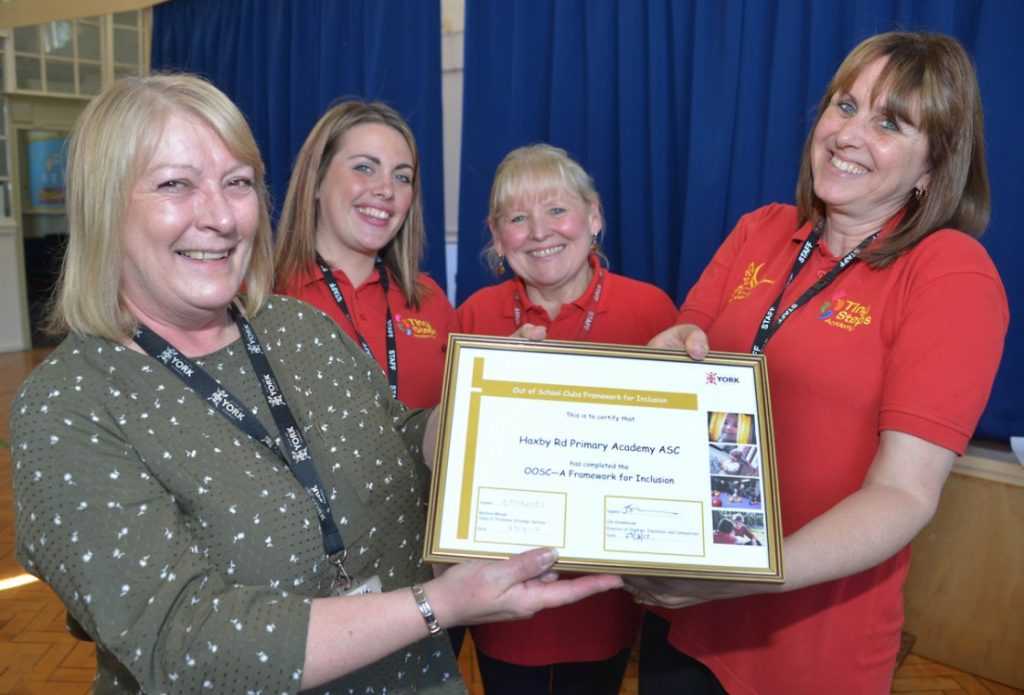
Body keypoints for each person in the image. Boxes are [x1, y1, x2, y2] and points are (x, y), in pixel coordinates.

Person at [9, 74, 622, 695]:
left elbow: (403, 441)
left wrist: (485, 404)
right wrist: (438, 605)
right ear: (102, 204)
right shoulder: (66, 406)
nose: (220, 216)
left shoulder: (295, 326)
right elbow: (186, 644)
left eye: (238, 183)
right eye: (175, 184)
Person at [626, 32, 1008, 695]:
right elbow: (691, 339)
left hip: (806, 646)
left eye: (890, 122)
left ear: (931, 166)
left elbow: (904, 493)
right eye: (844, 105)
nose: (849, 133)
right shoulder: (761, 229)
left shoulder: (949, 271)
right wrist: (673, 347)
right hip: (684, 608)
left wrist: (745, 572)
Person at [458, 143, 678, 695]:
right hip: (503, 587)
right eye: (517, 217)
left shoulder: (652, 311)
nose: (539, 231)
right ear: (495, 233)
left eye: (557, 209)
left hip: (604, 594)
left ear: (594, 215)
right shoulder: (474, 318)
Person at [274, 100, 457, 410]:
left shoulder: (432, 302)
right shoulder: (262, 295)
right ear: (316, 180)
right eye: (364, 168)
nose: (386, 189)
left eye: (402, 177)